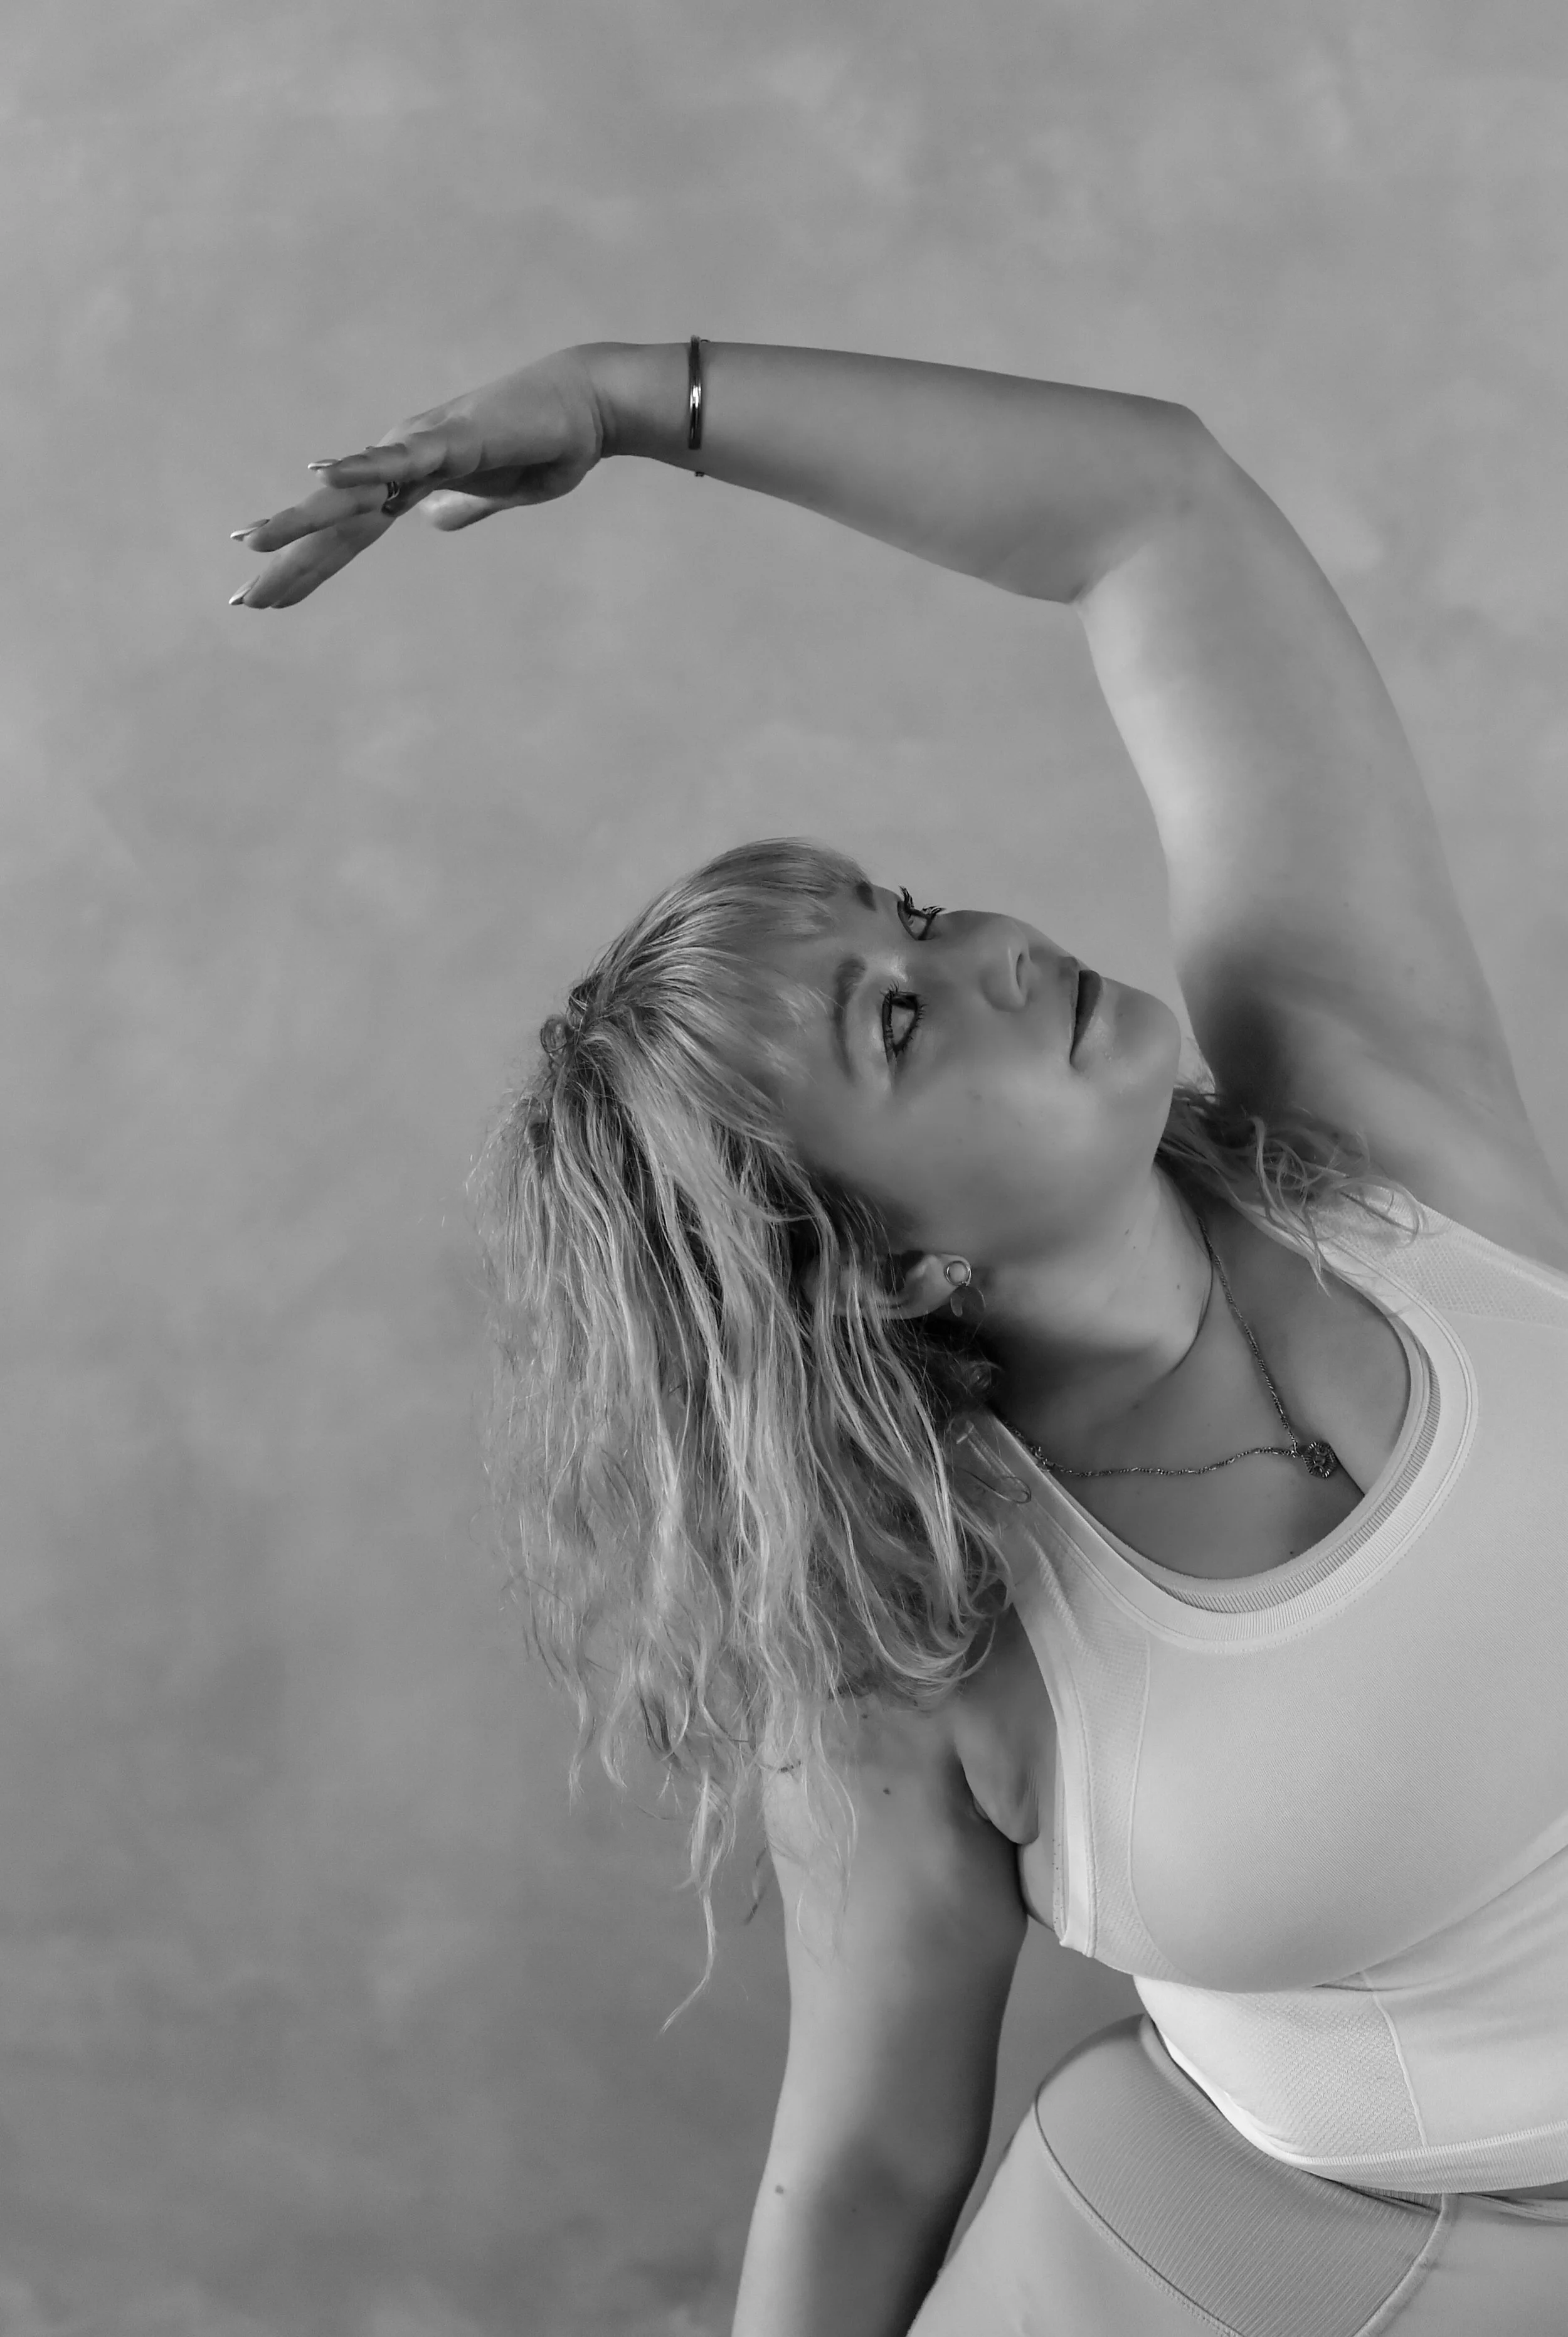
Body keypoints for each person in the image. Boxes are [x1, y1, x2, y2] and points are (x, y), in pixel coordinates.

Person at [233, 341, 1568, 2333]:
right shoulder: (922, 1623)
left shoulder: (1374, 1131)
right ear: (886, 1269)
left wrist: (631, 396)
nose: (993, 950)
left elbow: (1159, 515)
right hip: (1306, 2270)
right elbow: (863, 2155)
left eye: (913, 915)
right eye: (899, 1017)